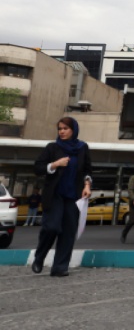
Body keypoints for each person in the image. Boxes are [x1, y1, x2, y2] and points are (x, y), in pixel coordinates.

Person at [31, 116, 93, 277]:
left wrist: (87, 185)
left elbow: (87, 169)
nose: (62, 131)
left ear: (74, 130)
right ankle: (39, 258)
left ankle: (60, 267)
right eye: (60, 129)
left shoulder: (82, 148)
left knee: (68, 232)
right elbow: (37, 168)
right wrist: (54, 164)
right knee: (51, 227)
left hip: (73, 197)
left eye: (65, 128)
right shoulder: (52, 147)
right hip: (55, 195)